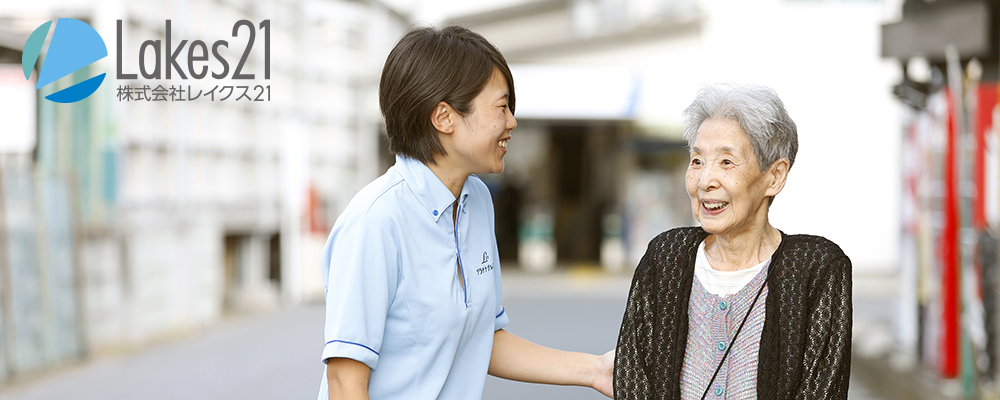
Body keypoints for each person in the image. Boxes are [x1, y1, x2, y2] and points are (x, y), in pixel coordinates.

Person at [318, 25, 613, 400]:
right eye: (501, 106)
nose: (512, 122)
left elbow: (479, 338)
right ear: (444, 117)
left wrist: (596, 371)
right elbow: (345, 382)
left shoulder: (476, 200)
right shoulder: (375, 221)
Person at [614, 84, 852, 399]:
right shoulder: (666, 257)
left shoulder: (816, 268)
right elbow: (634, 382)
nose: (705, 181)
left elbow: (823, 392)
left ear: (775, 176)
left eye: (726, 162)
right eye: (697, 161)